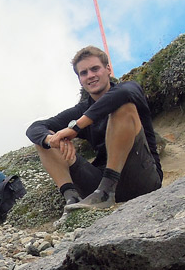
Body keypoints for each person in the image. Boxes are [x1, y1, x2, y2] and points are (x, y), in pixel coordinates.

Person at [26, 45, 162, 211]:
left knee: (123, 108)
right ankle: (72, 197)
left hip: (143, 178)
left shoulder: (129, 89)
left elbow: (120, 96)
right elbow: (35, 128)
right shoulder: (81, 109)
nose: (90, 75)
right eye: (84, 73)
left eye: (95, 69)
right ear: (80, 80)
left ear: (108, 69)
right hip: (98, 183)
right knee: (42, 140)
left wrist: (76, 127)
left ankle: (106, 191)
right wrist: (52, 140)